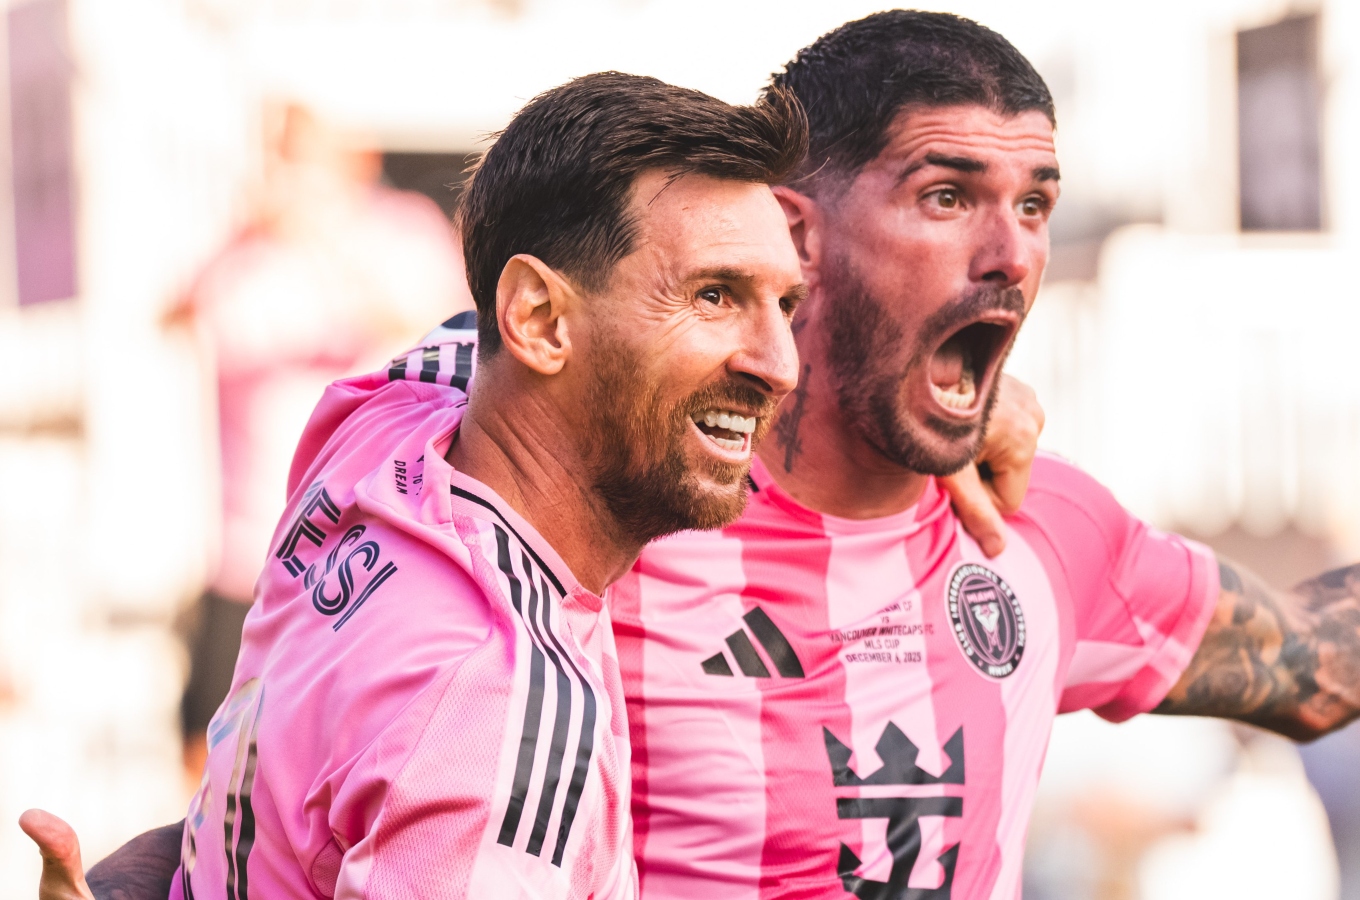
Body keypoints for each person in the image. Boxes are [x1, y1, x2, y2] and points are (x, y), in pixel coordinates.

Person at [34, 11, 1360, 900]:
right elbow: (313, 780)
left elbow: (1316, 667)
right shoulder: (580, 502)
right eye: (946, 197)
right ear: (798, 228)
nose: (1012, 251)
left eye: (1035, 204)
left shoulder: (1042, 534)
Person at [26, 72, 815, 899]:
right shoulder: (502, 717)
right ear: (538, 319)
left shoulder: (387, 413)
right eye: (715, 296)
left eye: (787, 303)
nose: (782, 364)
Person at [169, 102, 473, 784]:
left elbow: (441, 331)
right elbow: (175, 316)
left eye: (296, 155)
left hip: (362, 538)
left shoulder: (400, 234)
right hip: (247, 546)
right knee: (209, 749)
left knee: (343, 746)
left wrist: (324, 240)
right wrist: (245, 235)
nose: (282, 172)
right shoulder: (246, 251)